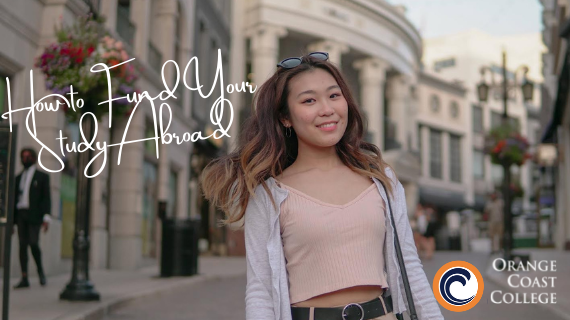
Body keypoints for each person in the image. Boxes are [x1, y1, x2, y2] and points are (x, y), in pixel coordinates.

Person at [200, 52, 443, 320]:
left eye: (334, 96)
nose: (326, 109)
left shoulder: (381, 179)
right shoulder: (270, 193)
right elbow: (261, 289)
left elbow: (410, 266)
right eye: (309, 100)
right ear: (285, 118)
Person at [12, 147, 51, 288]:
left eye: (28, 156)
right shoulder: (18, 178)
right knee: (22, 245)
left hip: (34, 215)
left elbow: (46, 198)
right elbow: (13, 199)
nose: (25, 159)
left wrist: (46, 218)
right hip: (21, 213)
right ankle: (24, 277)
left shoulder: (42, 177)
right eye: (23, 156)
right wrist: (12, 222)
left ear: (34, 158)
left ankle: (40, 271)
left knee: (34, 243)